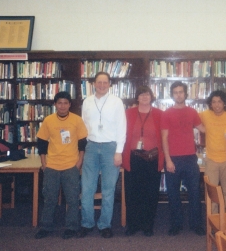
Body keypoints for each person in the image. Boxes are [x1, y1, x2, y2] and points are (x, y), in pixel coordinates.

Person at [78, 71, 127, 239]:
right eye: (99, 82)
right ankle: (87, 223)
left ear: (109, 84)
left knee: (108, 190)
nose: (102, 85)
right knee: (87, 189)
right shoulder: (87, 101)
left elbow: (122, 128)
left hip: (110, 148)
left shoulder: (116, 102)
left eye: (105, 82)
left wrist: (118, 151)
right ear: (94, 83)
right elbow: (83, 126)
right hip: (91, 146)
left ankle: (104, 224)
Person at [34, 91, 88, 239]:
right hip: (52, 165)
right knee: (49, 198)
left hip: (71, 165)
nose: (62, 106)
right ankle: (46, 227)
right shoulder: (48, 120)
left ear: (70, 105)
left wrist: (79, 162)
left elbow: (82, 144)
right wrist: (44, 163)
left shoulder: (77, 120)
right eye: (59, 103)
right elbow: (42, 144)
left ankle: (71, 227)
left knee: (72, 199)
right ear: (55, 104)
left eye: (65, 103)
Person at [161, 81, 206, 236]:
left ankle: (196, 224)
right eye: (176, 92)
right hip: (173, 158)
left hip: (190, 158)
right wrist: (168, 160)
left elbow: (203, 129)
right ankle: (176, 224)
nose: (179, 94)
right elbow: (164, 138)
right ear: (172, 95)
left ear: (185, 94)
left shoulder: (192, 112)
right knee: (173, 194)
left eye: (181, 92)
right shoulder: (166, 113)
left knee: (194, 192)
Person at [122, 86, 164, 237]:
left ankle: (148, 225)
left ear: (151, 97)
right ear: (137, 98)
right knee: (132, 193)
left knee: (150, 193)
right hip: (133, 157)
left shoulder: (159, 114)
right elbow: (121, 134)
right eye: (141, 94)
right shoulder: (128, 113)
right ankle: (132, 225)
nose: (145, 97)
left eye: (147, 94)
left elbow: (165, 137)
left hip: (152, 158)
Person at [199, 90, 226, 213]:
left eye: (219, 101)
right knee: (211, 194)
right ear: (210, 104)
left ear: (224, 103)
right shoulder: (204, 115)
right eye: (214, 102)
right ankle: (213, 223)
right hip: (211, 160)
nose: (217, 104)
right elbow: (189, 119)